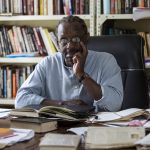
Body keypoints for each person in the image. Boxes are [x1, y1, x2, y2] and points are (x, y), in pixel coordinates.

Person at [15, 15, 123, 112]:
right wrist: (62, 104)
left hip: (95, 127)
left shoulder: (106, 61)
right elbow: (20, 100)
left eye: (75, 39)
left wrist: (81, 74)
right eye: (64, 41)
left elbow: (114, 105)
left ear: (86, 39)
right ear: (58, 44)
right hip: (57, 127)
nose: (70, 46)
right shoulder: (48, 64)